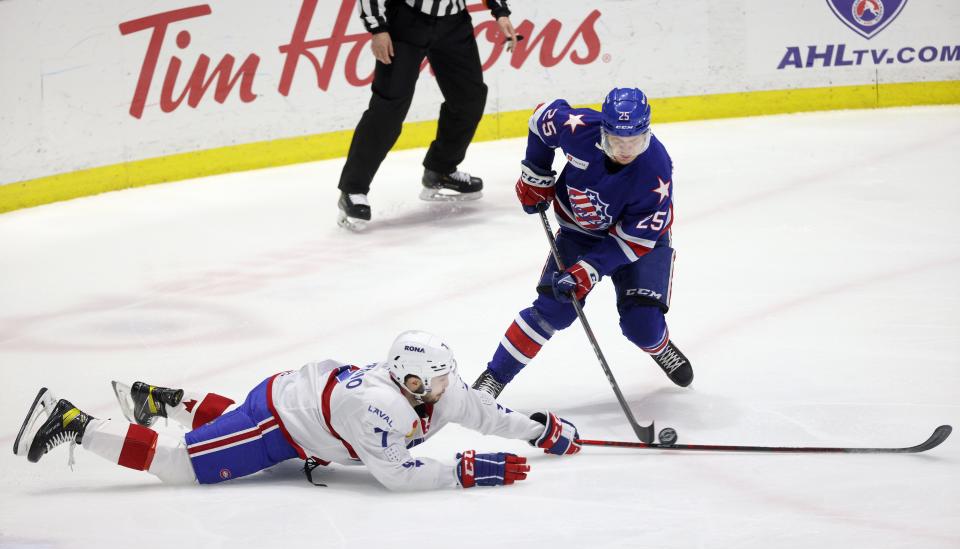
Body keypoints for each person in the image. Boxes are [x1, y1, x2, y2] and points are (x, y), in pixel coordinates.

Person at [13, 331, 580, 491]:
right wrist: (463, 472)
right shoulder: (380, 406)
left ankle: (162, 402)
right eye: (433, 380)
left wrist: (538, 429)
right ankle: (73, 423)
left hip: (296, 402)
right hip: (280, 423)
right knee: (182, 465)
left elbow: (482, 411)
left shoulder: (429, 391)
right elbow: (396, 475)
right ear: (408, 380)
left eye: (442, 378)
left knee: (228, 424)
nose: (444, 388)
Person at [471, 88, 694, 399]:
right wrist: (536, 174)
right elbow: (540, 120)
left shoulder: (656, 169)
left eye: (634, 141)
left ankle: (659, 346)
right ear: (604, 130)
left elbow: (634, 241)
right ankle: (494, 376)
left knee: (641, 325)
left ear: (646, 133)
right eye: (617, 141)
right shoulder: (579, 128)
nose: (625, 150)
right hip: (579, 232)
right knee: (554, 309)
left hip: (636, 241)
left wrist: (588, 270)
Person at [336, 0, 519, 231]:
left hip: (454, 22)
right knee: (388, 109)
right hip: (406, 21)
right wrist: (378, 28)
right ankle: (353, 189)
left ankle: (441, 170)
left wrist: (500, 12)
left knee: (469, 98)